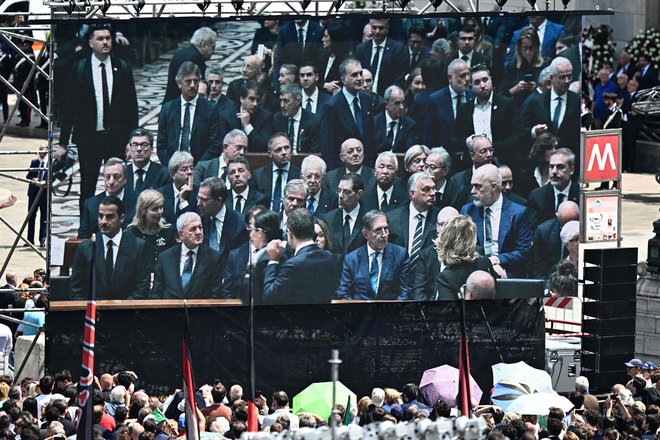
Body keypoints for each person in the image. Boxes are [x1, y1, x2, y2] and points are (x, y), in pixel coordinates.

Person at [58, 24, 138, 212]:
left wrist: (131, 140)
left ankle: (119, 225)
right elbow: (69, 108)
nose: (105, 42)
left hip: (116, 138)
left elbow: (131, 108)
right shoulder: (80, 68)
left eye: (108, 38)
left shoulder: (122, 67)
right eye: (100, 39)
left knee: (118, 185)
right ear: (91, 42)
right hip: (89, 138)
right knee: (88, 185)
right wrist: (63, 143)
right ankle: (85, 231)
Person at [70, 196, 151, 300]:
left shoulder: (139, 247)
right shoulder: (86, 248)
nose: (103, 222)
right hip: (93, 313)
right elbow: (76, 289)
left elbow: (142, 289)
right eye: (100, 216)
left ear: (121, 218)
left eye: (109, 217)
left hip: (127, 311)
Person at [461, 164, 532, 279]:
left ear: (493, 187)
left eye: (477, 186)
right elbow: (463, 248)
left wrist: (496, 260)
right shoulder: (467, 211)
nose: (472, 191)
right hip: (475, 272)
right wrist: (486, 264)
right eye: (472, 186)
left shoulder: (518, 213)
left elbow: (523, 252)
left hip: (508, 271)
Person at [453, 65, 522, 170]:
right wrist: (469, 141)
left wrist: (490, 148)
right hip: (473, 165)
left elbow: (517, 135)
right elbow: (455, 139)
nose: (482, 85)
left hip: (502, 162)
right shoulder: (464, 109)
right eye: (477, 82)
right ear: (470, 86)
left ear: (491, 79)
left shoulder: (507, 104)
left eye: (485, 80)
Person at [262, 208, 336, 304]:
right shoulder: (330, 257)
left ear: (290, 233)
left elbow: (269, 298)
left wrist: (273, 261)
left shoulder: (292, 265)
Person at [336, 210, 411, 300]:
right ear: (366, 234)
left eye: (386, 229)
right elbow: (344, 292)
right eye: (378, 230)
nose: (384, 235)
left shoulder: (400, 255)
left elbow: (405, 291)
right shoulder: (351, 259)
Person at [157, 61, 222, 166]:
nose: (192, 85)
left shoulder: (210, 109)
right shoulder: (168, 108)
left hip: (199, 167)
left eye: (195, 81)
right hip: (173, 168)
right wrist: (171, 167)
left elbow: (215, 145)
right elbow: (161, 144)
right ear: (179, 83)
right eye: (188, 81)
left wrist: (199, 167)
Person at [320, 58, 376, 169]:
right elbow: (327, 147)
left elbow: (370, 140)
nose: (360, 78)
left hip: (366, 169)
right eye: (354, 75)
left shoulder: (367, 100)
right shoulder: (332, 106)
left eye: (360, 73)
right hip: (342, 170)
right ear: (344, 80)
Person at [151, 212, 223, 299]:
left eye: (200, 227)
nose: (199, 232)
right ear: (181, 235)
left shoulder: (213, 258)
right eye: (193, 229)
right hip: (170, 311)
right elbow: (157, 294)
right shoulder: (165, 258)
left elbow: (215, 295)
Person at [523, 56, 580, 164]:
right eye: (562, 77)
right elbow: (522, 130)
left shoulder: (577, 101)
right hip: (542, 162)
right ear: (551, 78)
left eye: (569, 76)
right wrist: (534, 131)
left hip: (569, 162)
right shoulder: (536, 101)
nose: (567, 81)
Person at [221, 207, 277, 302]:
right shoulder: (235, 255)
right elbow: (227, 290)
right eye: (250, 226)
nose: (251, 232)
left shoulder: (277, 253)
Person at [433, 215, 495, 300]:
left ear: (445, 241)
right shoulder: (485, 263)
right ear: (472, 239)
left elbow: (447, 310)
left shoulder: (446, 277)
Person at [386, 172, 439, 271]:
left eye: (433, 188)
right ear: (412, 193)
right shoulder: (392, 218)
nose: (432, 193)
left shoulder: (439, 218)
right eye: (426, 189)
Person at [423, 59, 474, 154]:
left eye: (468, 74)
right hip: (443, 155)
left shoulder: (473, 97)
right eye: (462, 75)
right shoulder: (435, 100)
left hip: (469, 155)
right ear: (450, 78)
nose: (467, 79)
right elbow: (429, 135)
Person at [78, 157, 136, 239]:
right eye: (108, 177)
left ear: (125, 179)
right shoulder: (91, 204)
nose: (111, 182)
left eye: (116, 177)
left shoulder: (137, 202)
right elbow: (83, 238)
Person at [412, 206, 459, 301]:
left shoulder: (473, 253)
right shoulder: (425, 255)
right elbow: (419, 289)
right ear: (437, 227)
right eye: (443, 224)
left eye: (451, 224)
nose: (447, 229)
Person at [527, 148, 579, 232]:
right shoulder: (537, 196)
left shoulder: (581, 194)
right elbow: (533, 231)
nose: (554, 171)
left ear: (571, 170)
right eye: (551, 166)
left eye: (560, 167)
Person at [162, 27, 217, 104]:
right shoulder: (196, 59)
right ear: (203, 45)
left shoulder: (181, 52)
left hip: (170, 102)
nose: (214, 52)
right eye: (212, 47)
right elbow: (200, 89)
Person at [196, 177, 245, 263]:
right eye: (198, 198)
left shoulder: (239, 222)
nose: (199, 203)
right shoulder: (199, 220)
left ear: (219, 201)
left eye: (204, 200)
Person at [126, 189, 178, 267]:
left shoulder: (168, 230)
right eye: (155, 209)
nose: (160, 212)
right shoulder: (131, 233)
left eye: (161, 207)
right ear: (143, 211)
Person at [251, 133, 301, 213]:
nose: (284, 152)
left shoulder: (299, 175)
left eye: (286, 148)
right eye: (279, 149)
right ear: (270, 153)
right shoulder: (259, 175)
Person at [219, 80, 274, 153]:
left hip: (256, 160)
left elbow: (265, 146)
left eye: (258, 100)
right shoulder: (227, 116)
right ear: (242, 99)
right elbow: (222, 145)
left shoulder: (266, 116)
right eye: (251, 99)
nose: (255, 104)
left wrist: (247, 126)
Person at [355, 18, 406, 96]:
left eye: (381, 28)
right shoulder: (361, 49)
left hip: (385, 96)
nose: (377, 31)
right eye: (374, 28)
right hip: (363, 95)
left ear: (387, 29)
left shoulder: (397, 49)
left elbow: (399, 78)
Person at [500, 27, 548, 108]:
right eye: (524, 48)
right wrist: (516, 89)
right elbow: (501, 95)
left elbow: (549, 94)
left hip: (538, 108)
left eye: (531, 48)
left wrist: (536, 89)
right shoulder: (511, 66)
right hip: (515, 108)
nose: (528, 52)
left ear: (537, 47)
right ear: (519, 48)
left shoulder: (545, 66)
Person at [323, 173, 368, 254]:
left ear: (359, 194)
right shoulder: (329, 219)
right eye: (339, 190)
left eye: (346, 192)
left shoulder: (369, 219)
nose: (340, 196)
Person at [273, 19, 324, 90]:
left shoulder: (318, 30)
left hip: (312, 81)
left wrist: (320, 84)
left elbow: (321, 60)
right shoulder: (284, 30)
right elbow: (279, 60)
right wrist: (276, 86)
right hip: (291, 82)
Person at [272, 83, 320, 153]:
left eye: (286, 101)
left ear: (298, 101)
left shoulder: (313, 121)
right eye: (281, 101)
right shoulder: (277, 119)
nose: (282, 105)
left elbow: (314, 150)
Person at [125, 128, 171, 199]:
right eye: (135, 145)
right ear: (129, 148)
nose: (139, 149)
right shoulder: (123, 173)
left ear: (152, 148)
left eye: (144, 145)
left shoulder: (163, 174)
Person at [156, 152, 198, 226]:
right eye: (184, 169)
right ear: (173, 174)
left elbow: (193, 223)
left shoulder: (199, 193)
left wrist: (183, 201)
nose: (190, 172)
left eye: (191, 168)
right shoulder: (160, 195)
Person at [373, 85, 417, 153]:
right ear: (386, 104)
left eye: (403, 103)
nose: (401, 107)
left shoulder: (409, 125)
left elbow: (409, 151)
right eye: (397, 103)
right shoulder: (374, 123)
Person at [515, 133, 558, 200]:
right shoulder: (526, 174)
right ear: (541, 150)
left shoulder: (559, 176)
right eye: (549, 148)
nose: (554, 151)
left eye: (556, 148)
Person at [316, 20, 353, 96]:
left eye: (326, 36)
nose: (322, 39)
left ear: (334, 39)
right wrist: (324, 85)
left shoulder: (347, 61)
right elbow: (316, 81)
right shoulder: (322, 56)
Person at [25, 146, 48, 247]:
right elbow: (28, 176)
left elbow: (52, 178)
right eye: (40, 151)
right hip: (33, 193)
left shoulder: (50, 163)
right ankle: (30, 240)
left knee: (44, 217)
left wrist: (45, 182)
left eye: (43, 151)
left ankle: (42, 239)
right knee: (31, 217)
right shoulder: (34, 162)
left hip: (44, 193)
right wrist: (33, 179)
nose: (41, 153)